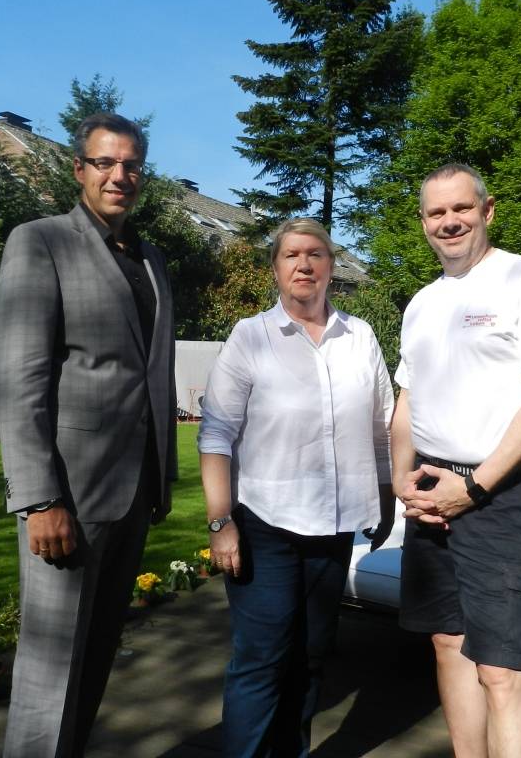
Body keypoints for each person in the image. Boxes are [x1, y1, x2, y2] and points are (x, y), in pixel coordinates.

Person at [0, 112, 177, 757]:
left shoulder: (150, 259)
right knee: (49, 667)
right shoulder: (40, 241)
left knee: (96, 655)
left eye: (130, 165)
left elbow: (153, 373)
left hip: (133, 493)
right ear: (80, 170)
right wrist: (40, 499)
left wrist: (162, 476)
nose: (118, 175)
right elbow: (19, 381)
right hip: (68, 495)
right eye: (105, 163)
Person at [392, 163, 521, 758]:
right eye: (435, 213)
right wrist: (401, 477)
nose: (448, 222)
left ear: (488, 210)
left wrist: (473, 488)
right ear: (422, 222)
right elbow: (407, 400)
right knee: (448, 644)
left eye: (461, 209)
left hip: (498, 494)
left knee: (501, 670)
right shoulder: (423, 303)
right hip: (430, 489)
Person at [198, 218, 394, 757]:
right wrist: (221, 521)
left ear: (331, 266)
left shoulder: (361, 338)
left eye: (315, 254)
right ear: (276, 269)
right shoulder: (251, 336)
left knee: (310, 656)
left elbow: (383, 429)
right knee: (262, 660)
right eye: (291, 255)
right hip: (264, 523)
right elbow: (216, 434)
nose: (304, 264)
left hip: (333, 528)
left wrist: (384, 500)